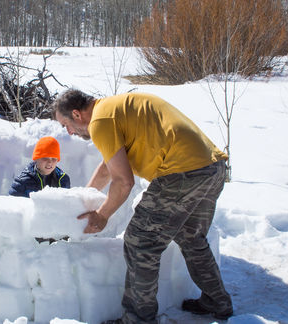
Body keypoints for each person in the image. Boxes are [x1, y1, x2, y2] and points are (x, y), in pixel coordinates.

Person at [51, 89, 233, 323]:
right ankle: (217, 301)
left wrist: (102, 215)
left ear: (76, 114)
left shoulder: (101, 122)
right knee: (191, 237)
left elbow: (123, 181)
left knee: (140, 242)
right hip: (211, 168)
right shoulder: (112, 109)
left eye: (65, 124)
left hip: (182, 173)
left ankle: (138, 318)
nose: (68, 131)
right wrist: (84, 196)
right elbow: (108, 167)